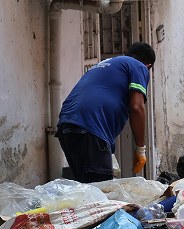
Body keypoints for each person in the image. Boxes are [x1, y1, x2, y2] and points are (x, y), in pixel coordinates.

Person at [57, 42, 155, 182]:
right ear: (148, 66)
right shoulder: (139, 66)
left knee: (85, 187)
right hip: (91, 126)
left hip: (66, 125)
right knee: (101, 189)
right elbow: (137, 107)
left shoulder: (106, 64)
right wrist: (140, 150)